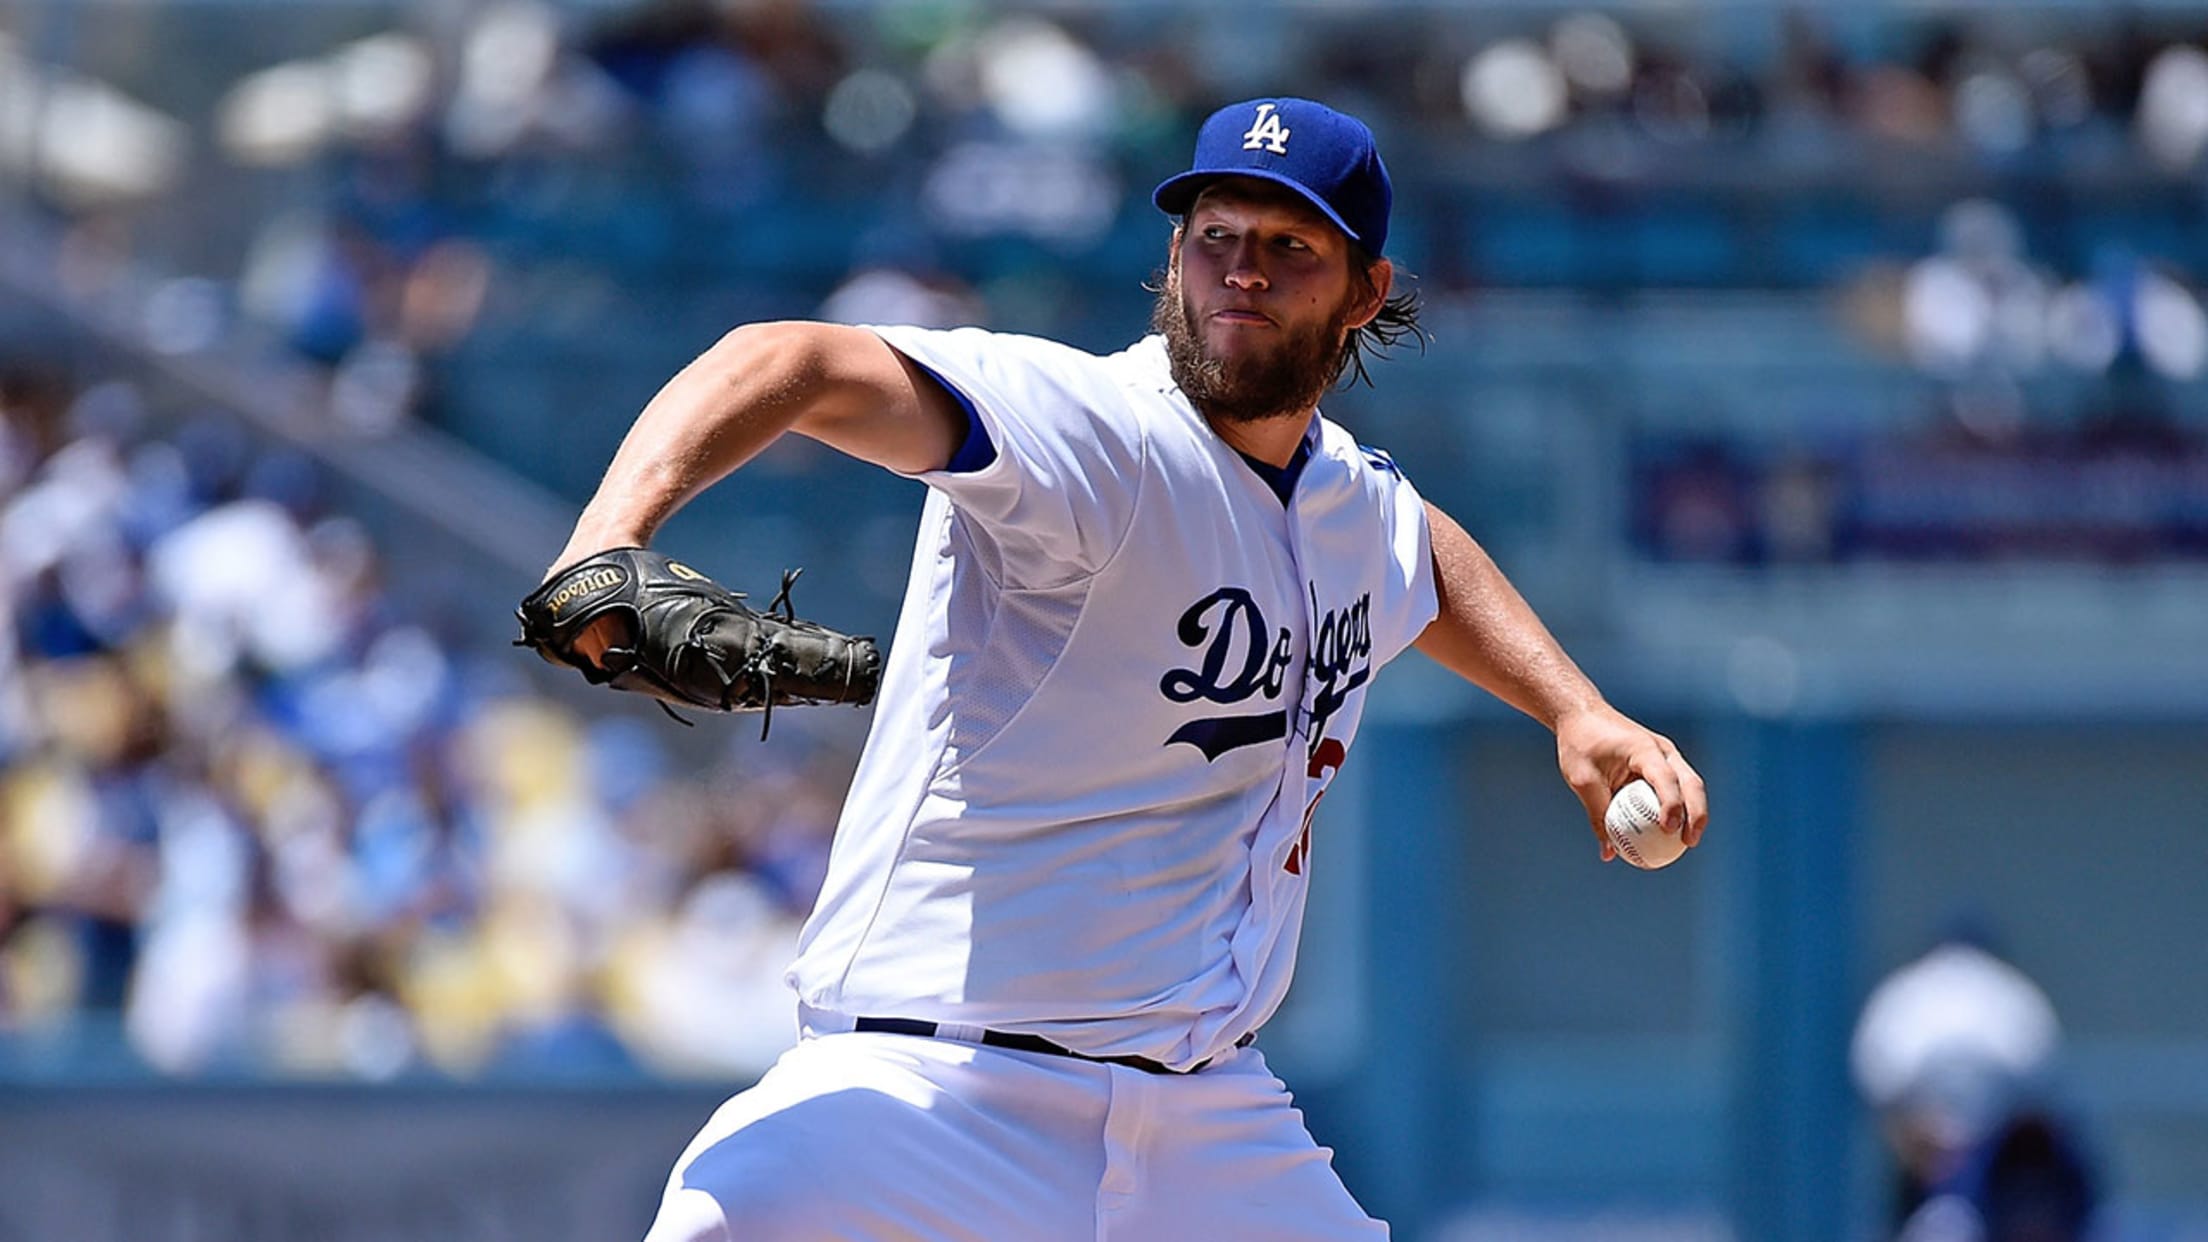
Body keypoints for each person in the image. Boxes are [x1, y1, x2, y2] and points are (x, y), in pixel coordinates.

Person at [546, 97, 1709, 1241]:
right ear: (1174, 256)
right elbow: (787, 359)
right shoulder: (1093, 433)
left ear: (1366, 292)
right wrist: (610, 535)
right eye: (1216, 238)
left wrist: (1574, 708)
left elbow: (1420, 551)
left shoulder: (1346, 495)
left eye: (1288, 245)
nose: (1241, 270)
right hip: (924, 1102)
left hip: (1204, 1122)